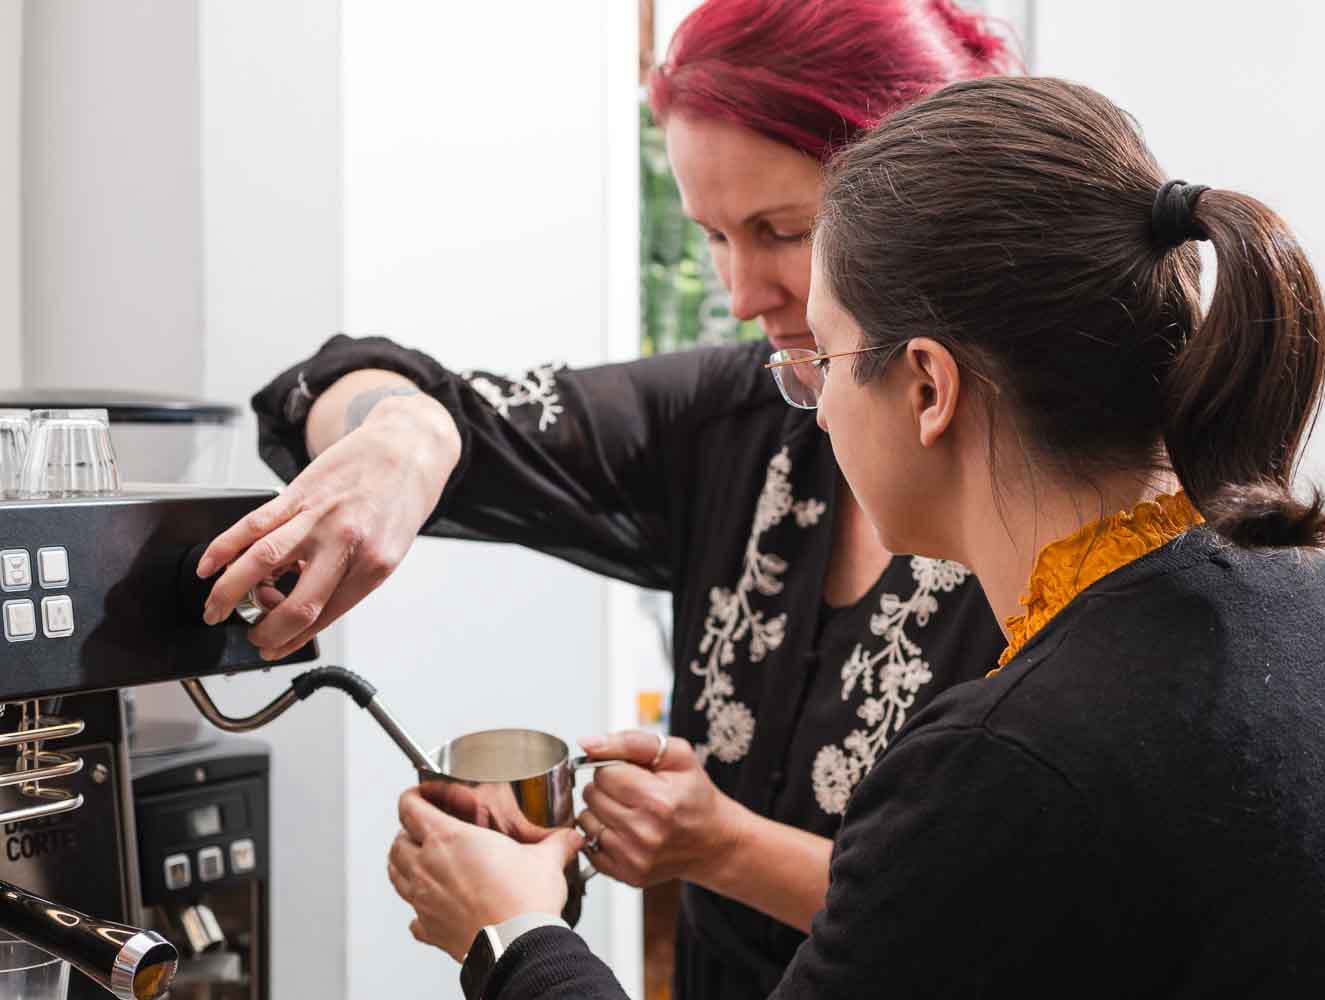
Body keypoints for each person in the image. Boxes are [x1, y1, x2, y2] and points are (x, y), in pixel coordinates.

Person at [387, 75, 1325, 999]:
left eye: (818, 359)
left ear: (926, 386)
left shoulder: (1001, 767)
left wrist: (513, 933)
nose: (810, 405)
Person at [194, 2, 1021, 995]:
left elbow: (1007, 928)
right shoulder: (733, 416)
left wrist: (720, 850)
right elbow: (351, 385)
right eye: (714, 235)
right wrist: (407, 441)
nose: (742, 289)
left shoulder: (1047, 534)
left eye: (784, 231)